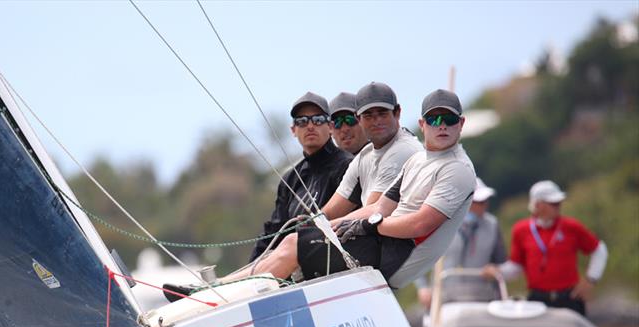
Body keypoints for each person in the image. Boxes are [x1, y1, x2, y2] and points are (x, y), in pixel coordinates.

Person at [165, 89, 475, 299]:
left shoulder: (453, 167)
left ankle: (218, 294)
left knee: (296, 246)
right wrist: (328, 224)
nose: (441, 126)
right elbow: (379, 206)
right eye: (434, 120)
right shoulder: (417, 158)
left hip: (393, 256)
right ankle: (218, 290)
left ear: (461, 123)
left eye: (448, 119)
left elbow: (419, 224)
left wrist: (370, 225)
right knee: (294, 239)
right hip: (380, 242)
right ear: (422, 124)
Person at [247, 92, 352, 262]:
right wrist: (252, 266)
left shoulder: (348, 166)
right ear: (293, 130)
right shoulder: (290, 179)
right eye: (302, 121)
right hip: (292, 266)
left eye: (318, 119)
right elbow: (274, 233)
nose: (310, 126)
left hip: (335, 261)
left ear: (331, 127)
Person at [483, 180, 607, 315]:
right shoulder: (521, 230)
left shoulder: (571, 227)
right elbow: (516, 267)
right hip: (538, 299)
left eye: (558, 203)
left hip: (569, 298)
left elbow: (599, 250)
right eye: (553, 203)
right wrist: (497, 272)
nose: (558, 206)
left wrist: (590, 280)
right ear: (537, 204)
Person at [321, 82, 422, 220]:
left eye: (382, 113)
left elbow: (373, 213)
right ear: (359, 118)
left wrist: (319, 230)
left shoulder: (404, 149)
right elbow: (331, 211)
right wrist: (310, 223)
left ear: (397, 113)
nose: (376, 121)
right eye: (368, 115)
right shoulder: (365, 155)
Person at [416, 177, 506, 306]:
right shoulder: (439, 222)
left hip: (482, 300)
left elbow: (502, 263)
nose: (485, 205)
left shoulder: (492, 225)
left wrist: (496, 270)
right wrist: (423, 287)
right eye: (479, 201)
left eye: (486, 200)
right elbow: (417, 258)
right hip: (444, 299)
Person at [328, 91, 368, 156]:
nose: (345, 129)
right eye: (337, 122)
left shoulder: (383, 154)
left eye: (350, 120)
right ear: (330, 129)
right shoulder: (326, 164)